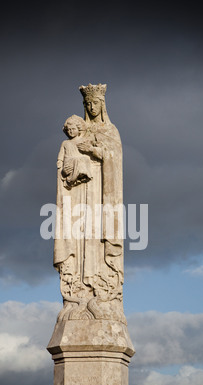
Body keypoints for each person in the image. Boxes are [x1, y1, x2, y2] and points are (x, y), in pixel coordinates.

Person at [54, 84, 125, 323]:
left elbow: (115, 159)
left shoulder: (110, 130)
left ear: (102, 105)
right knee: (79, 233)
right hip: (79, 193)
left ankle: (100, 286)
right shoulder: (74, 135)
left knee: (96, 234)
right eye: (88, 104)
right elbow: (64, 162)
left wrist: (95, 152)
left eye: (95, 103)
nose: (91, 107)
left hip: (100, 192)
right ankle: (79, 288)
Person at [58, 115, 92, 189]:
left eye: (73, 129)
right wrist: (59, 162)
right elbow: (61, 155)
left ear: (78, 129)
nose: (71, 131)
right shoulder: (65, 142)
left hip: (79, 162)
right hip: (69, 162)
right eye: (69, 129)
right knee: (76, 160)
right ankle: (72, 178)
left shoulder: (83, 140)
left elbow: (89, 152)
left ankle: (82, 175)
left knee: (85, 158)